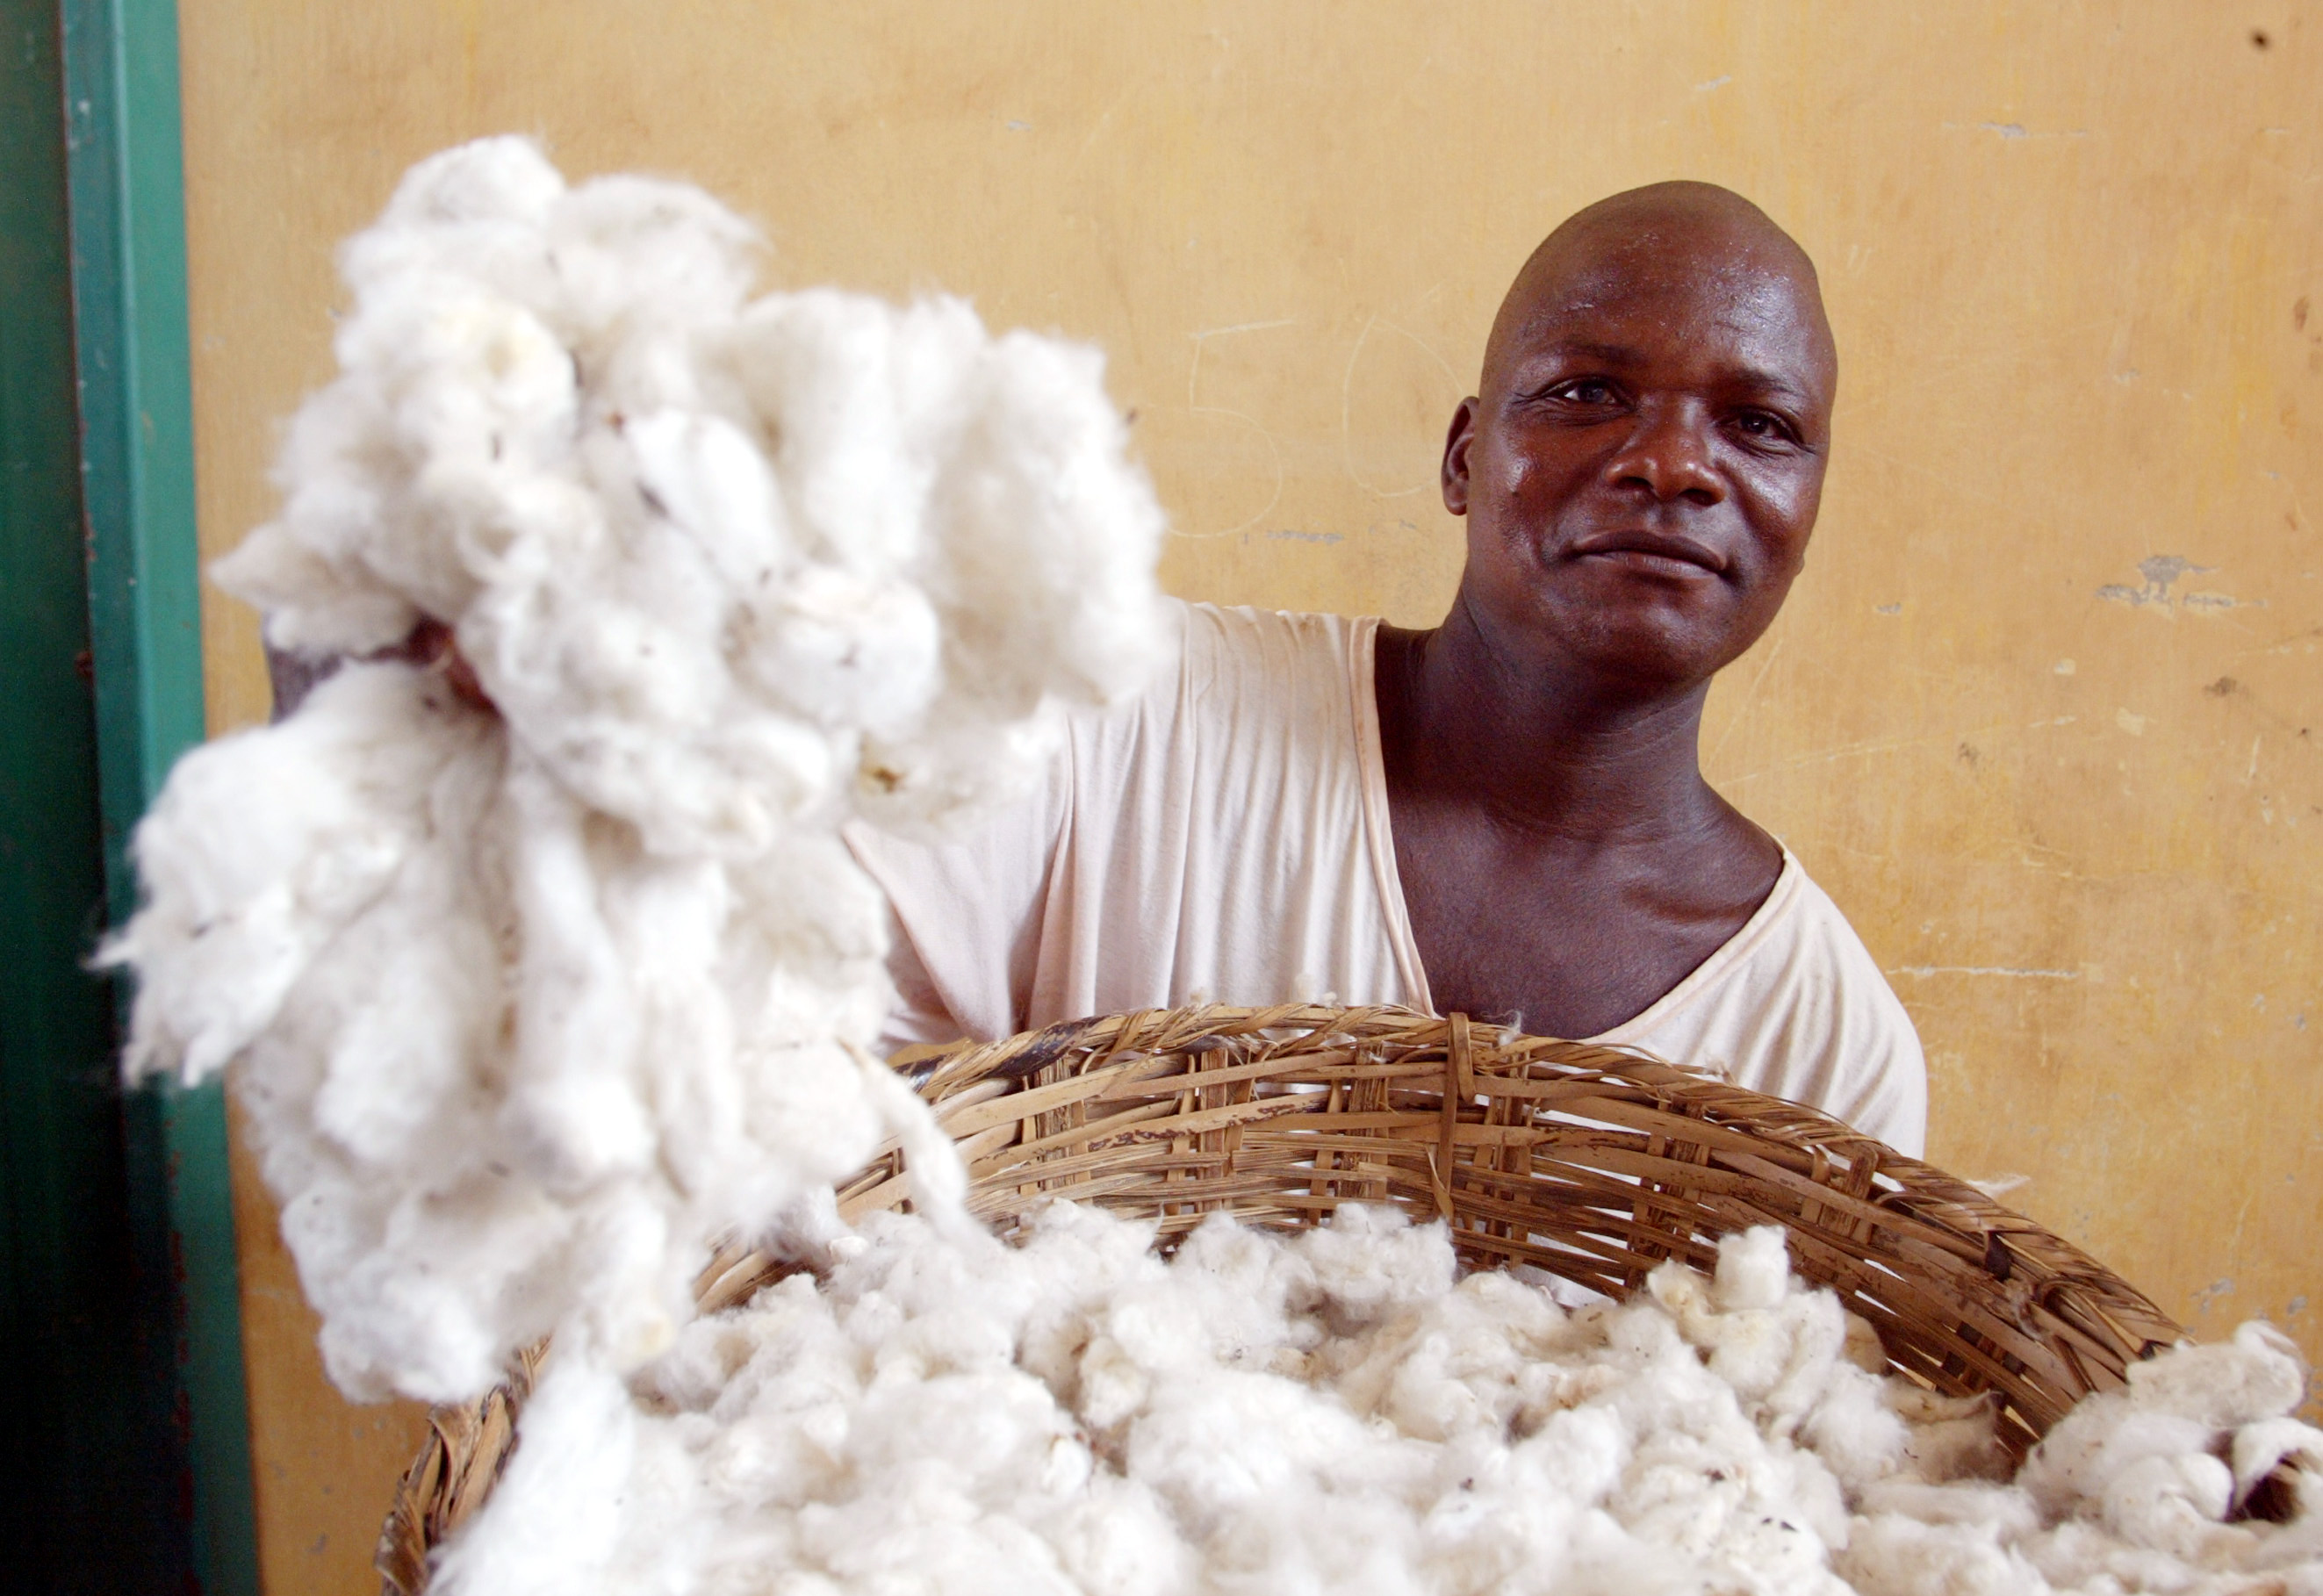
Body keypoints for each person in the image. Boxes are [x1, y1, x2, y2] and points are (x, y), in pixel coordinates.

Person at [846, 181, 1928, 1154]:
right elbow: (790, 1085)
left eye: (1760, 424)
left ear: (1809, 508)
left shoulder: (1821, 1048)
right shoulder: (1108, 712)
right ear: (1465, 459)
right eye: (1588, 393)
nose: (1676, 464)